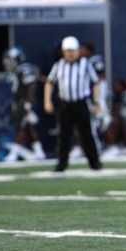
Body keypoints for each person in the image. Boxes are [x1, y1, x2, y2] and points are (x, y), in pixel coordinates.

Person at [44, 36, 102, 172]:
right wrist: (47, 101)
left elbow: (95, 83)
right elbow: (50, 82)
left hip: (81, 103)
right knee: (63, 135)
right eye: (67, 51)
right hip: (65, 104)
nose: (70, 53)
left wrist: (96, 102)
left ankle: (94, 162)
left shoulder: (85, 64)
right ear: (63, 52)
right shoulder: (59, 65)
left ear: (77, 51)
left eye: (72, 50)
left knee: (87, 134)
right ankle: (61, 164)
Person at [2, 46, 46, 161]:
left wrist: (28, 103)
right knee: (28, 127)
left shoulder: (24, 69)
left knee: (20, 128)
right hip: (20, 101)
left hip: (24, 101)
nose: (9, 63)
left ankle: (14, 153)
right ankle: (39, 151)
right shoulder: (18, 70)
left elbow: (31, 86)